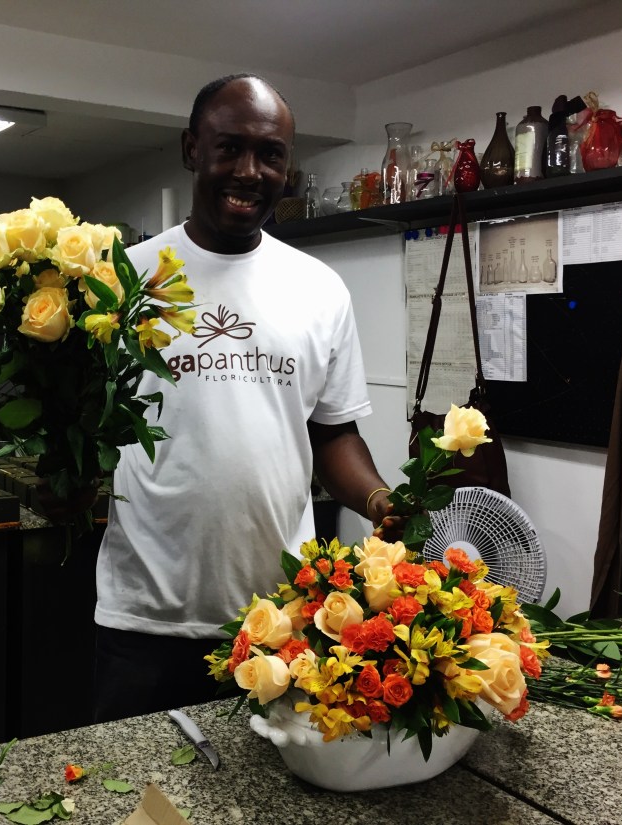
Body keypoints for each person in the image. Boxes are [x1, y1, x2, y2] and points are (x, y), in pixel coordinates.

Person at [93, 73, 392, 722]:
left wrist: (379, 501)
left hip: (282, 620)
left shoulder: (319, 289)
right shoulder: (123, 279)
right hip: (145, 620)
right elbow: (84, 422)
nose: (250, 171)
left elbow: (333, 433)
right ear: (191, 148)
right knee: (134, 785)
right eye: (230, 147)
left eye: (271, 154)